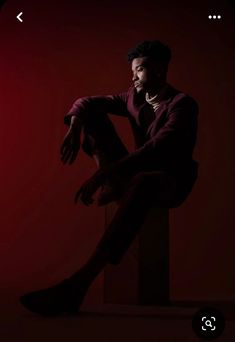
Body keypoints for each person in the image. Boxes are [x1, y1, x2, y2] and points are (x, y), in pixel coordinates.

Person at [20, 40, 199, 315]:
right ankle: (113, 184)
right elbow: (86, 102)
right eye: (133, 70)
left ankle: (78, 284)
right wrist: (74, 128)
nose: (133, 76)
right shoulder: (133, 97)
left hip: (170, 181)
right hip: (136, 173)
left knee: (145, 180)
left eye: (139, 69)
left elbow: (155, 150)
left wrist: (105, 172)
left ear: (160, 70)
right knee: (92, 115)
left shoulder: (182, 105)